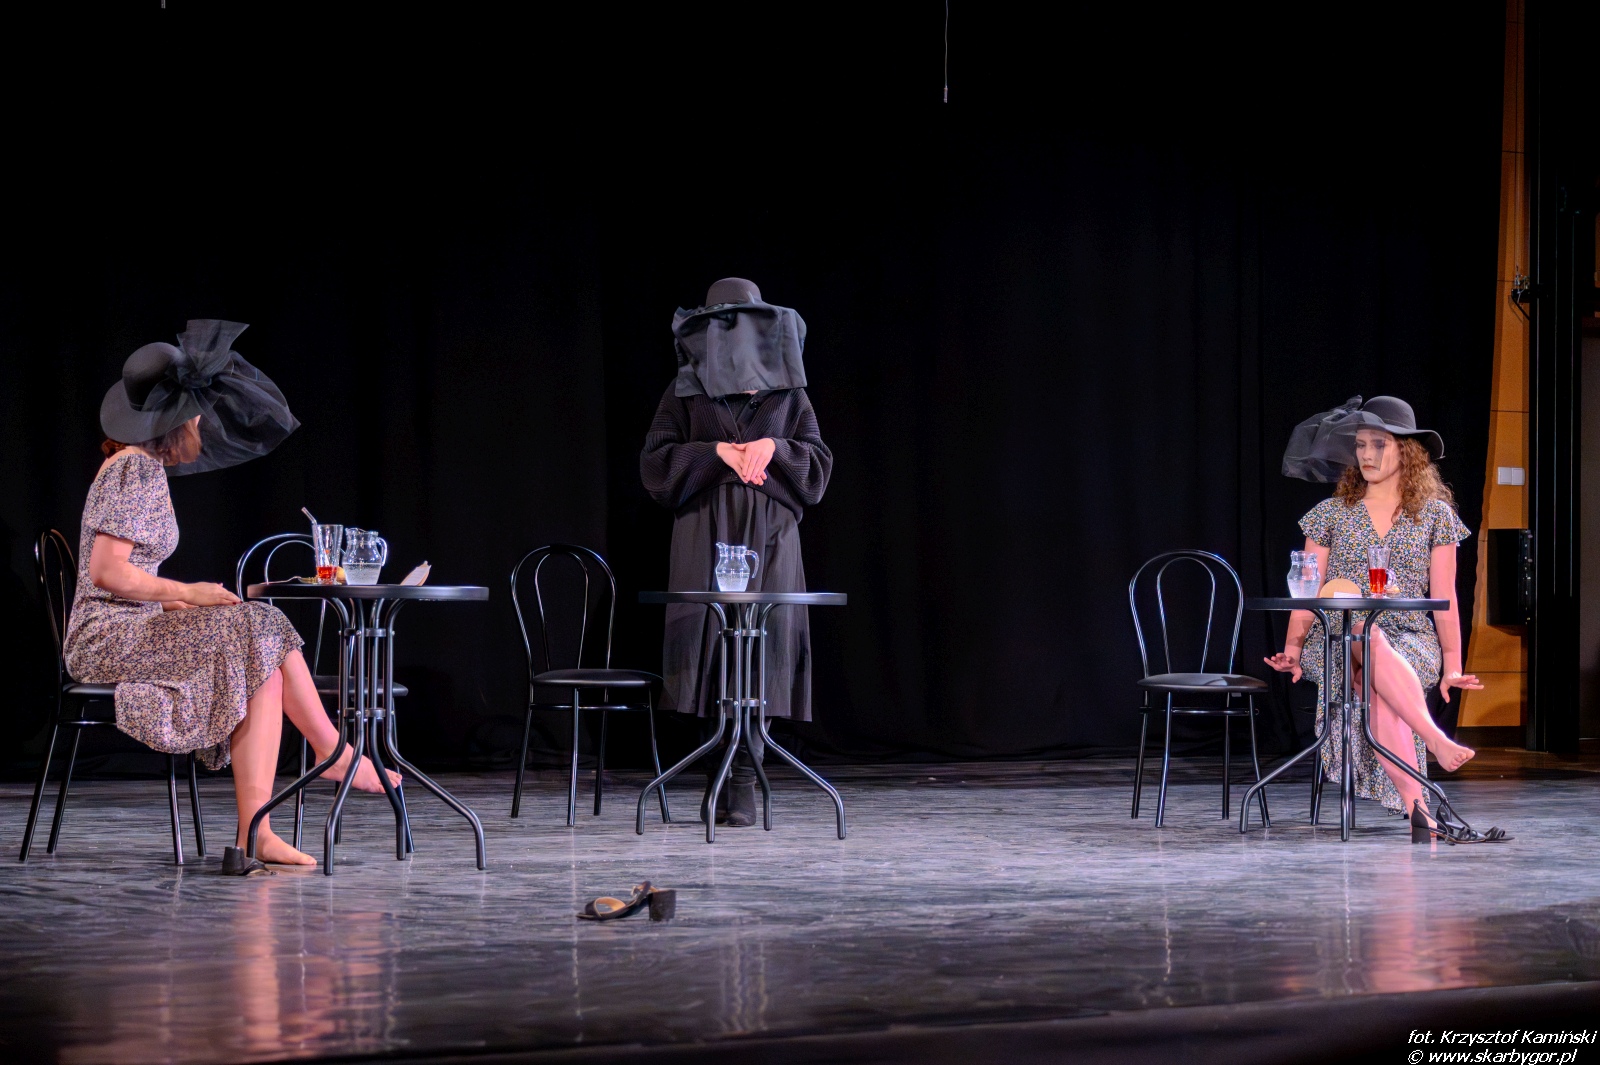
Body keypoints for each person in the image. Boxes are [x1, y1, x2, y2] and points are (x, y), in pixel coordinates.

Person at [65, 321, 398, 871]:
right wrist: (187, 593)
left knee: (257, 643)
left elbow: (131, 576)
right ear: (178, 419)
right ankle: (333, 751)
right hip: (105, 641)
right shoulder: (132, 469)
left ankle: (255, 832)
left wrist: (173, 604)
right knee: (258, 626)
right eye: (198, 413)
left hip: (133, 627)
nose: (203, 422)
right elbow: (105, 574)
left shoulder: (142, 469)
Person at [1267, 395, 1506, 841]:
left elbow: (1445, 597)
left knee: (1372, 675)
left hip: (1411, 636)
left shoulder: (1434, 515)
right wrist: (1293, 650)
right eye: (1361, 444)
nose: (1367, 454)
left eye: (1379, 444)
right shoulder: (1330, 514)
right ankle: (1432, 747)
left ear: (1406, 451)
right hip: (1336, 637)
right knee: (1362, 634)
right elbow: (1307, 590)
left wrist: (1453, 665)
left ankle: (1420, 810)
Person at [640, 279, 832, 826]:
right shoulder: (686, 391)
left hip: (771, 531)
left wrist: (775, 447)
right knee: (710, 646)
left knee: (764, 646)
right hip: (705, 527)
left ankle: (745, 778)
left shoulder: (788, 393)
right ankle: (715, 772)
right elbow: (655, 463)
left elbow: (817, 467)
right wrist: (717, 452)